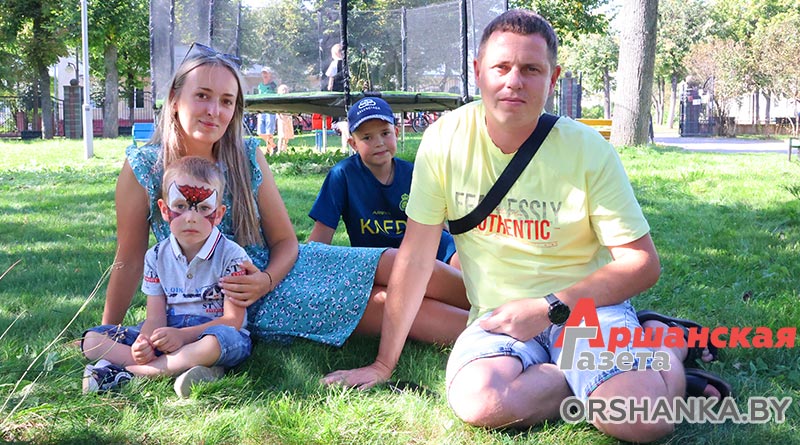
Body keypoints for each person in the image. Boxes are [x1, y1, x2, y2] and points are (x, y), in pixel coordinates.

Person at [322, 10, 723, 443]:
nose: (514, 81)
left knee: (644, 420)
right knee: (481, 402)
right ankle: (595, 378)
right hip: (500, 317)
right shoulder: (444, 141)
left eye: (531, 69)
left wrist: (549, 307)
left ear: (553, 79)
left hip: (585, 312)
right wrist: (383, 365)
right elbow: (416, 258)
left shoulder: (588, 149)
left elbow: (642, 264)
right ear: (478, 71)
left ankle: (664, 342)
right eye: (501, 67)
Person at [100, 45, 470, 375]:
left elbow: (286, 242)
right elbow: (129, 259)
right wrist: (109, 330)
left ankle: (497, 300)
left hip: (282, 270)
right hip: (243, 301)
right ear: (174, 99)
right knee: (385, 304)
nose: (214, 111)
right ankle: (494, 331)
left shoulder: (245, 155)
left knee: (393, 261)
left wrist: (266, 278)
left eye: (226, 101)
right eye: (203, 96)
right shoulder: (145, 167)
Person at [82, 156, 252, 397]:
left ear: (219, 214)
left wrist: (182, 336)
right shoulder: (155, 256)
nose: (190, 217)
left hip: (215, 334)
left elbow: (232, 321)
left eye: (204, 208)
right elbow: (155, 318)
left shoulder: (232, 256)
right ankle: (189, 369)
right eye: (180, 206)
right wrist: (144, 343)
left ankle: (136, 372)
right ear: (164, 209)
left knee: (214, 343)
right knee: (92, 339)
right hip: (168, 332)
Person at [308, 96, 460, 268]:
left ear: (396, 133)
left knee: (462, 262)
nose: (379, 143)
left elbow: (436, 226)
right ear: (353, 144)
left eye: (385, 133)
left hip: (419, 256)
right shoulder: (342, 175)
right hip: (375, 262)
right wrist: (307, 270)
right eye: (367, 137)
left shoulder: (414, 173)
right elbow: (319, 242)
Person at [257, 66, 277, 154]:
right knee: (260, 132)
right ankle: (274, 146)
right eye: (263, 73)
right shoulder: (260, 86)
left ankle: (268, 151)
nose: (264, 75)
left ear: (270, 74)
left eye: (266, 73)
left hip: (270, 111)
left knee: (269, 133)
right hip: (261, 111)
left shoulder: (273, 86)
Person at [275, 84, 294, 154]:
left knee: (287, 136)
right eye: (283, 90)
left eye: (286, 89)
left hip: (288, 118)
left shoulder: (289, 100)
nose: (285, 91)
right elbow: (277, 110)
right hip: (282, 119)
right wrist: (279, 116)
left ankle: (285, 149)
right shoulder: (278, 100)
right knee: (281, 136)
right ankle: (279, 150)